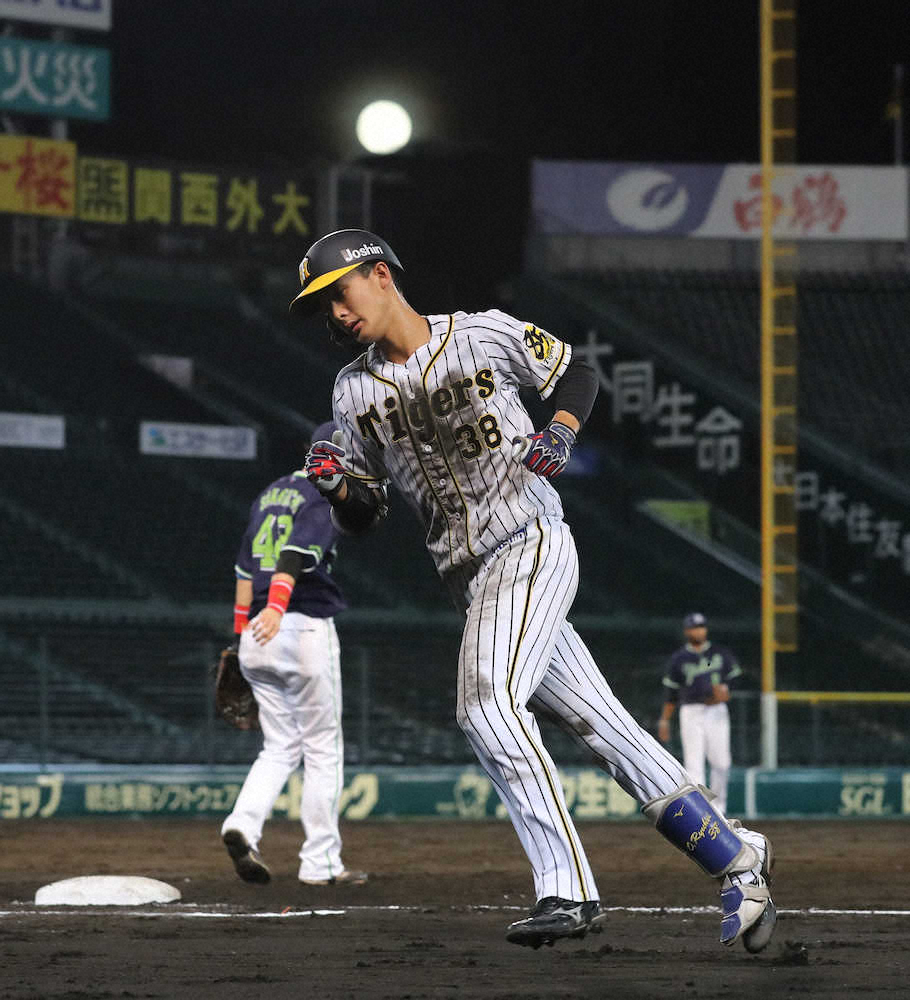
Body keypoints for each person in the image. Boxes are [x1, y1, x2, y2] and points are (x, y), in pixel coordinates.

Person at [291, 228, 776, 952]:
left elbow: (576, 371)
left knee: (486, 705)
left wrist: (563, 430)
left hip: (530, 541)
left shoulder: (479, 334)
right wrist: (338, 488)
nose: (334, 311)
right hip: (471, 581)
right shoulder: (351, 390)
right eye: (322, 304)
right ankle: (737, 860)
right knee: (607, 729)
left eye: (339, 291)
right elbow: (365, 515)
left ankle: (567, 887)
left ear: (382, 275)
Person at [220, 422, 368, 887]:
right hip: (298, 624)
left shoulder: (269, 494)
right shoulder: (323, 492)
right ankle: (320, 863)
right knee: (323, 750)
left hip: (256, 634)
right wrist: (278, 608)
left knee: (279, 747)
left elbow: (245, 573)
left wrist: (241, 637)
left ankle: (242, 825)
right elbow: (294, 553)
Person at [658, 612, 743, 814]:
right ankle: (701, 812)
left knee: (722, 763)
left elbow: (735, 678)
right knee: (694, 765)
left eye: (701, 627)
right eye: (694, 628)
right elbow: (671, 693)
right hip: (691, 711)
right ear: (687, 631)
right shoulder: (679, 659)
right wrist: (665, 720)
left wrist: (727, 691)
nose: (698, 631)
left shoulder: (720, 653)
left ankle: (719, 810)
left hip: (716, 711)